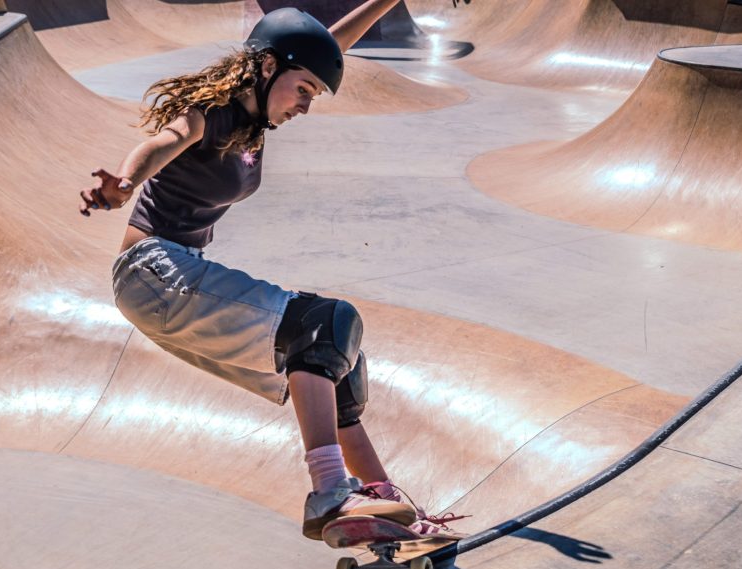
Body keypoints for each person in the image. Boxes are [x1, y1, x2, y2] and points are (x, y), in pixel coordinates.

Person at [80, 2, 465, 541]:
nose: (306, 106)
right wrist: (123, 183)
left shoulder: (256, 113)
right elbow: (164, 142)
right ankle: (330, 490)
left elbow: (324, 46)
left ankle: (382, 503)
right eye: (304, 90)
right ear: (267, 68)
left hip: (172, 280)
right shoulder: (210, 112)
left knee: (339, 367)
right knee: (324, 324)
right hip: (153, 274)